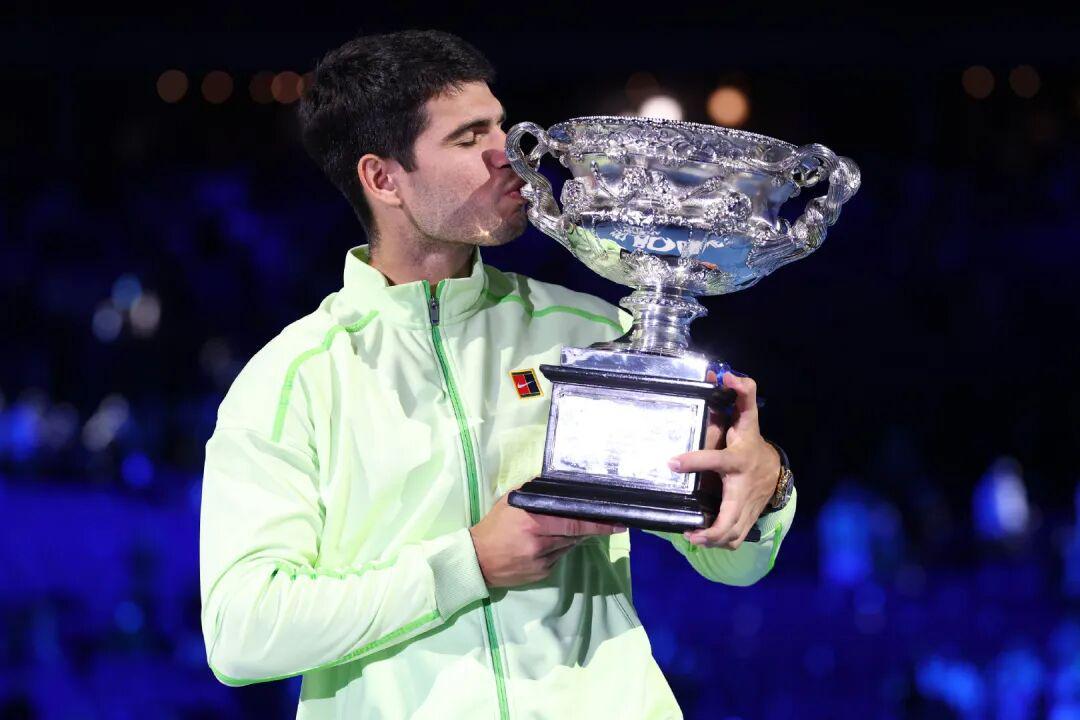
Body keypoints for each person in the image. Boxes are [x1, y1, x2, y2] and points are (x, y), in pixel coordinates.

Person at [199, 29, 797, 719]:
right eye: (468, 137)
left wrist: (765, 486)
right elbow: (242, 633)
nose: (509, 151)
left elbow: (731, 563)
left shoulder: (590, 332)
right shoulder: (294, 378)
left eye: (501, 124)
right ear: (383, 178)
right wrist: (468, 564)